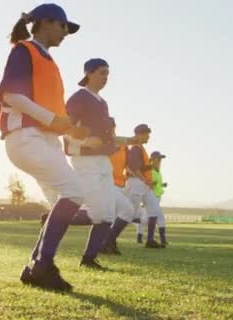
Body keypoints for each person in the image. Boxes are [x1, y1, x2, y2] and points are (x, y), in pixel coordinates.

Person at [0, 3, 87, 291]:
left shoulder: (48, 60)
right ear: (45, 23)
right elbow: (11, 95)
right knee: (74, 192)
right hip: (25, 138)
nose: (65, 33)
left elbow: (50, 111)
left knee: (64, 198)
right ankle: (42, 265)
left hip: (43, 140)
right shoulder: (25, 50)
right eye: (63, 26)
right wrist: (53, 120)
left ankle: (36, 265)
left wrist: (69, 128)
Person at [64, 60, 137, 270]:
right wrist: (84, 142)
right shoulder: (78, 98)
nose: (105, 78)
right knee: (99, 212)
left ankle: (89, 258)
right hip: (85, 161)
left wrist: (130, 141)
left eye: (108, 74)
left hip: (103, 161)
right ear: (88, 73)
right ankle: (54, 220)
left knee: (110, 213)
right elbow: (66, 127)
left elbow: (107, 137)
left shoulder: (102, 102)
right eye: (102, 73)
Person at [103, 124, 164, 253]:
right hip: (135, 183)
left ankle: (150, 240)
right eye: (147, 134)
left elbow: (139, 167)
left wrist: (150, 170)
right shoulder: (135, 148)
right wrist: (145, 179)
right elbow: (133, 168)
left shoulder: (140, 148)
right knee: (127, 213)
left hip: (143, 184)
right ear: (140, 134)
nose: (148, 137)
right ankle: (109, 240)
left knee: (154, 210)